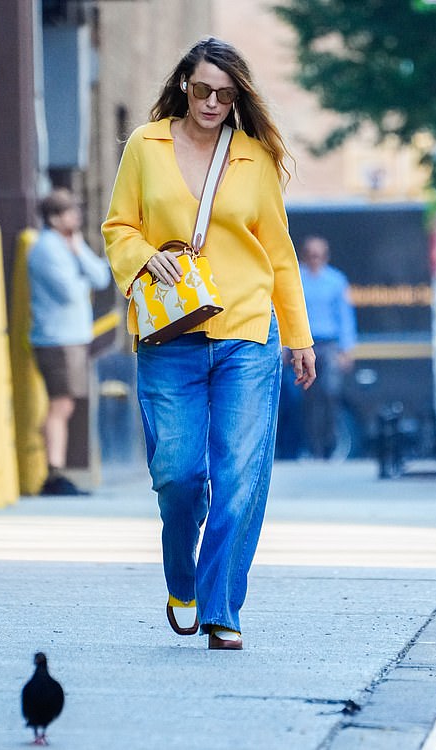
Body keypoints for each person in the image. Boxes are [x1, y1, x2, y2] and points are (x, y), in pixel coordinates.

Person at [102, 37, 315, 651]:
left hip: (248, 332)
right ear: (183, 87)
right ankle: (183, 580)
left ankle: (223, 607)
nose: (213, 102)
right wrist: (145, 258)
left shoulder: (255, 158)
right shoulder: (148, 144)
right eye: (202, 90)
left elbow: (278, 254)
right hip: (172, 335)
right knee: (178, 474)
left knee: (240, 473)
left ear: (238, 95)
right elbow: (119, 225)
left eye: (225, 93)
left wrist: (297, 336)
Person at [28, 188, 110, 495]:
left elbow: (101, 277)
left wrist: (78, 254)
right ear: (53, 218)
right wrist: (81, 276)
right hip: (56, 340)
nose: (75, 216)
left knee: (65, 404)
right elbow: (71, 294)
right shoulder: (46, 248)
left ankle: (55, 469)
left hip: (73, 338)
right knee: (60, 405)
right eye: (68, 211)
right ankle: (54, 472)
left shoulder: (71, 244)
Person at [299, 235, 357, 459]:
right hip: (306, 345)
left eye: (319, 255)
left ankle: (331, 443)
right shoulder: (299, 280)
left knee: (331, 394)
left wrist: (347, 350)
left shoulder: (336, 281)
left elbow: (346, 316)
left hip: (330, 345)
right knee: (309, 398)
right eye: (311, 255)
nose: (315, 259)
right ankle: (312, 448)